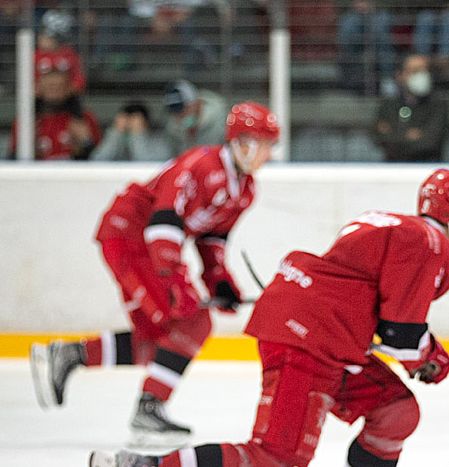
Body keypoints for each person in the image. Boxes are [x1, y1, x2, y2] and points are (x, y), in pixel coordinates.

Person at [86, 170, 449, 467]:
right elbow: (401, 338)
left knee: (395, 410)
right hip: (309, 338)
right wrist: (432, 358)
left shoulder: (392, 224)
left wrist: (417, 348)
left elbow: (367, 305)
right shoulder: (430, 242)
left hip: (322, 334)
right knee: (266, 464)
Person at [29, 102, 279, 443]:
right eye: (261, 143)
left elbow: (212, 240)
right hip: (129, 234)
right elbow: (163, 221)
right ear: (240, 140)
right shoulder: (200, 165)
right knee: (192, 323)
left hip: (148, 245)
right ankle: (149, 409)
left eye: (269, 145)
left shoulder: (245, 190)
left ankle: (71, 354)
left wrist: (219, 281)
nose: (267, 153)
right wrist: (175, 279)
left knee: (160, 338)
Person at [8, 68, 102, 160]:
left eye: (60, 87)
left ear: (69, 89)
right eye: (50, 87)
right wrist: (27, 142)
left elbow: (101, 160)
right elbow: (11, 162)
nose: (54, 93)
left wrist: (86, 142)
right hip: (38, 174)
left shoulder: (84, 119)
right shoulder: (26, 121)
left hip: (75, 173)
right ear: (38, 89)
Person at [372, 53, 449, 162]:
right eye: (415, 71)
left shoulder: (438, 105)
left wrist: (394, 133)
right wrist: (410, 136)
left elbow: (430, 142)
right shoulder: (388, 104)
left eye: (424, 71)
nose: (421, 75)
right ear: (400, 75)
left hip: (426, 167)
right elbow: (378, 138)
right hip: (392, 169)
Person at [163, 79, 228, 157]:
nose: (181, 116)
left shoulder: (222, 122)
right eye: (176, 113)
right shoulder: (172, 128)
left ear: (197, 102)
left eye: (184, 110)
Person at [90, 102, 171, 162]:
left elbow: (146, 164)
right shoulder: (116, 140)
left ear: (146, 123)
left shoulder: (159, 142)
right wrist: (116, 131)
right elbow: (97, 161)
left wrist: (137, 134)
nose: (130, 126)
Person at [35, 9, 87, 96]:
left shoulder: (69, 55)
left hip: (67, 101)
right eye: (42, 35)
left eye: (48, 37)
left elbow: (79, 80)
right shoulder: (34, 56)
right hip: (39, 101)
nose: (41, 38)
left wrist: (64, 93)